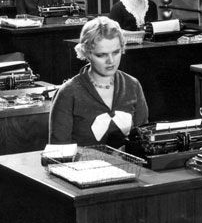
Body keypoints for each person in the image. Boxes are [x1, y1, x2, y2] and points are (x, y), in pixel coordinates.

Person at [48, 17, 148, 149]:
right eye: (102, 55)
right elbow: (58, 152)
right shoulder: (68, 93)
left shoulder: (132, 85)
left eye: (116, 52)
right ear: (87, 53)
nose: (111, 61)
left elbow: (144, 139)